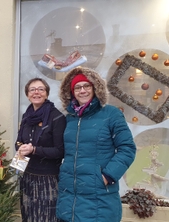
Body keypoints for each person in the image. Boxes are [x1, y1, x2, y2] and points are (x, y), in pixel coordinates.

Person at [56, 67, 136, 222]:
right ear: (72, 92)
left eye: (87, 86)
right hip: (69, 196)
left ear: (95, 88)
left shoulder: (111, 114)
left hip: (99, 196)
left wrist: (107, 176)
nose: (82, 91)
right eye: (77, 87)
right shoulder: (69, 118)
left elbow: (127, 149)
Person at [16, 77, 66, 222]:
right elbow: (19, 141)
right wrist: (21, 147)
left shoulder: (56, 117)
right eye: (32, 89)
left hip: (48, 179)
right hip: (27, 176)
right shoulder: (27, 116)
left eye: (41, 89)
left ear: (47, 93)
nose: (36, 92)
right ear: (27, 94)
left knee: (46, 218)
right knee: (28, 216)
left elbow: (60, 151)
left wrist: (34, 150)